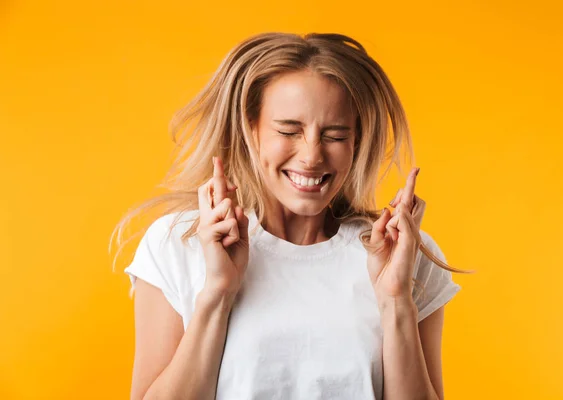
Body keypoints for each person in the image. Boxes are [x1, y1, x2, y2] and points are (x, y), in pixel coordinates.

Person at [110, 32, 472, 400]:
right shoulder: (178, 244)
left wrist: (396, 300)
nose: (312, 155)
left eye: (334, 135)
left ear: (356, 142)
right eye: (288, 130)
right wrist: (217, 294)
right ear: (251, 129)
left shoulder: (403, 255)